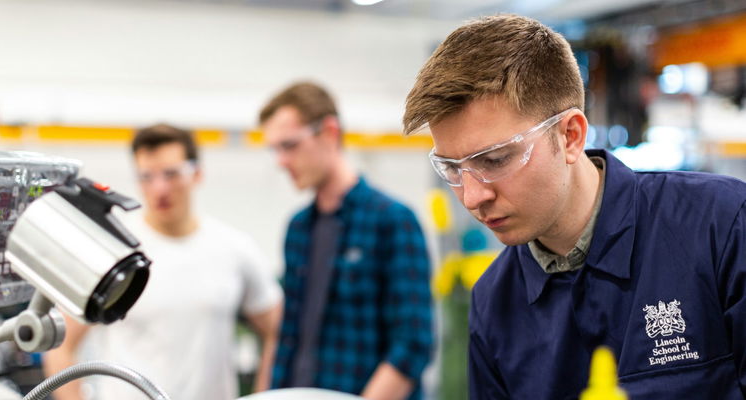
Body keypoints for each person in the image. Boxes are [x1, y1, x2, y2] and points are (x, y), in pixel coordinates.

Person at [403, 14, 746, 400]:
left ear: (570, 136)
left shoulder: (721, 226)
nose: (471, 197)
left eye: (495, 160)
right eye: (452, 169)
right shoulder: (494, 302)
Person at [42, 124, 283, 400]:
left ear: (197, 174)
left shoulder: (234, 249)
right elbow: (60, 346)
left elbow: (278, 331)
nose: (159, 188)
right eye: (147, 176)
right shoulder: (111, 251)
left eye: (171, 174)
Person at [259, 82, 433, 400]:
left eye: (289, 145)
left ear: (329, 132)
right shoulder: (298, 229)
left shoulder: (392, 221)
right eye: (275, 149)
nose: (281, 161)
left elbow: (412, 344)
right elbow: (288, 338)